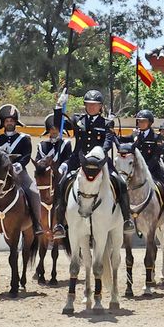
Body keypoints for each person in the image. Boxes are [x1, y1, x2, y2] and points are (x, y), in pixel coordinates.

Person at [52, 89, 135, 236]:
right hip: (78, 159)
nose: (91, 107)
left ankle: (127, 219)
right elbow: (60, 125)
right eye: (88, 104)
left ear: (100, 106)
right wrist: (59, 107)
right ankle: (59, 223)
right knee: (62, 183)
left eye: (94, 104)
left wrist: (98, 154)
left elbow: (108, 141)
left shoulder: (106, 122)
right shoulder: (78, 119)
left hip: (100, 160)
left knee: (120, 182)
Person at [0, 103, 46, 238]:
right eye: (7, 120)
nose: (9, 123)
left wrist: (18, 166)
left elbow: (26, 156)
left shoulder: (24, 138)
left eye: (12, 120)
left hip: (19, 172)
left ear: (16, 122)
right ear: (3, 123)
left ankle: (37, 223)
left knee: (34, 193)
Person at [128, 110, 164, 228]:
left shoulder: (157, 137)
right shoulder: (135, 135)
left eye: (144, 121)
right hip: (135, 172)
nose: (141, 123)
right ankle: (125, 218)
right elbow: (123, 141)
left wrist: (146, 169)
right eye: (139, 121)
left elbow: (156, 156)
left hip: (153, 170)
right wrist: (112, 133)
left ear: (150, 123)